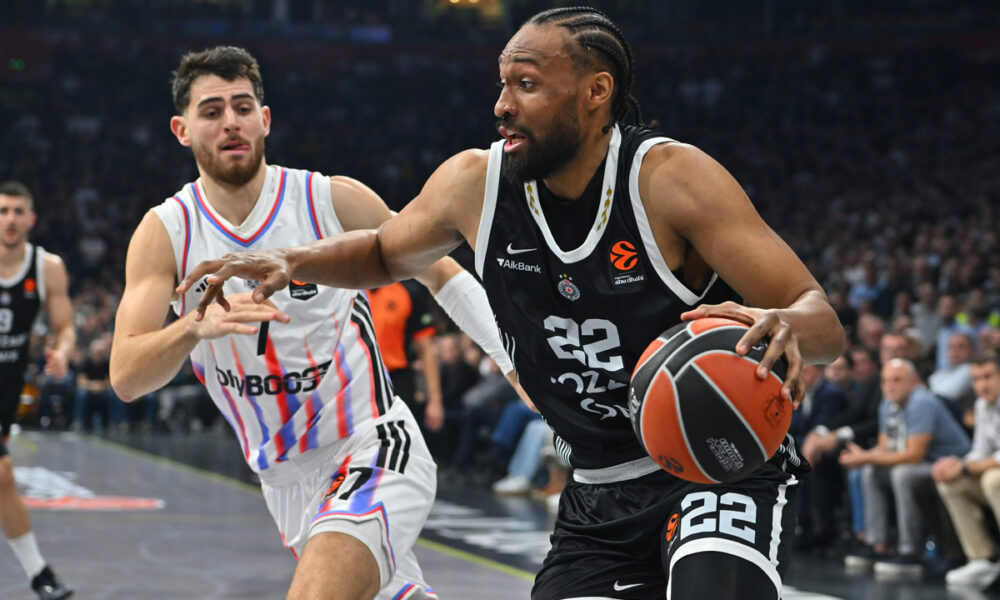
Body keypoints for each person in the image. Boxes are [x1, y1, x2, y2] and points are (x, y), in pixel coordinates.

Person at [178, 9, 845, 599]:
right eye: (502, 84)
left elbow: (821, 320)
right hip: (599, 484)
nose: (501, 104)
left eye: (525, 85)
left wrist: (783, 321)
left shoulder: (671, 181)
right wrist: (293, 259)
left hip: (715, 464)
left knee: (712, 585)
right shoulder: (475, 182)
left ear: (594, 94)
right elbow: (385, 252)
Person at [109, 46, 519, 600]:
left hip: (371, 444)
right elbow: (127, 377)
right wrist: (190, 330)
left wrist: (515, 360)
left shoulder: (328, 199)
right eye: (211, 111)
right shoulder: (166, 232)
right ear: (182, 129)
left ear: (265, 119)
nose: (231, 122)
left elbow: (441, 272)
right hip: (284, 482)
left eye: (243, 106)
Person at [0, 181, 74, 600]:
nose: (9, 219)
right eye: (2, 211)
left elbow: (64, 327)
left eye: (16, 212)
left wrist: (61, 353)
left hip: (6, 389)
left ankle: (39, 573)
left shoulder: (47, 268)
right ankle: (39, 574)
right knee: (3, 474)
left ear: (30, 219)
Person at [839, 359, 970, 577]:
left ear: (914, 382)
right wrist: (862, 457)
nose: (890, 386)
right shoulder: (887, 404)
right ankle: (878, 544)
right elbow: (884, 446)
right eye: (885, 381)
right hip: (923, 462)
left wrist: (865, 456)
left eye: (897, 380)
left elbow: (914, 455)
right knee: (870, 471)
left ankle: (910, 551)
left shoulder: (922, 402)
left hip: (949, 462)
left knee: (903, 474)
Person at [933, 354, 1000, 589]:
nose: (982, 384)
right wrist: (955, 466)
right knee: (950, 483)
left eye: (988, 376)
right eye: (976, 379)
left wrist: (967, 467)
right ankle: (982, 558)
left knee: (993, 479)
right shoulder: (982, 405)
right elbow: (979, 452)